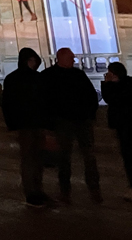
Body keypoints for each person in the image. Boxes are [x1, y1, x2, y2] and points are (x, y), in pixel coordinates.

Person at [41, 47, 102, 203]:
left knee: (88, 156)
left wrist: (90, 114)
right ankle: (65, 191)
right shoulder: (50, 76)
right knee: (64, 158)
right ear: (61, 58)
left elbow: (90, 96)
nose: (74, 61)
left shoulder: (74, 74)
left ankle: (93, 189)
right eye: (71, 58)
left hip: (80, 120)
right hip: (63, 121)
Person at [3, 48, 49, 207]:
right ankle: (33, 193)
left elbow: (7, 104)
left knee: (33, 159)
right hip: (31, 124)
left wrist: (11, 124)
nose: (35, 63)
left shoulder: (12, 79)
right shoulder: (35, 78)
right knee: (32, 159)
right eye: (33, 60)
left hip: (28, 124)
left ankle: (35, 191)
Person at [101, 61, 132, 202]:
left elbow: (110, 99)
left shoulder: (116, 87)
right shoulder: (128, 83)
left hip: (123, 124)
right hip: (124, 124)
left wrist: (107, 84)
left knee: (128, 156)